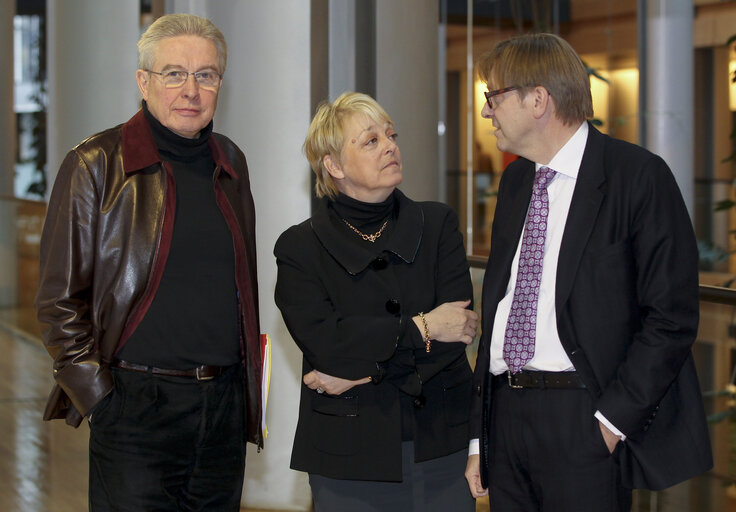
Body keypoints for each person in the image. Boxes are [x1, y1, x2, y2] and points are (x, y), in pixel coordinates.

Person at [464, 33, 713, 511]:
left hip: (584, 418)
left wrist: (610, 423)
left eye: (492, 97)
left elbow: (671, 317)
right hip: (507, 413)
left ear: (538, 100)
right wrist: (481, 435)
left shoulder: (637, 176)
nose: (485, 112)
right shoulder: (516, 180)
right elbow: (501, 306)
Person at [35, 13, 262, 511]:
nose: (192, 89)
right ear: (143, 81)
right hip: (135, 407)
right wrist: (103, 402)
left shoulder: (231, 163)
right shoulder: (95, 164)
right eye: (174, 73)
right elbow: (58, 303)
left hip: (221, 408)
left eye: (206, 74)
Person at [274, 91, 478, 511]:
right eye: (370, 140)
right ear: (333, 165)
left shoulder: (438, 223)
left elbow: (455, 334)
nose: (390, 146)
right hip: (349, 458)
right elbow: (328, 347)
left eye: (391, 135)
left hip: (441, 445)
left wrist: (360, 373)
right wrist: (422, 328)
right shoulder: (299, 247)